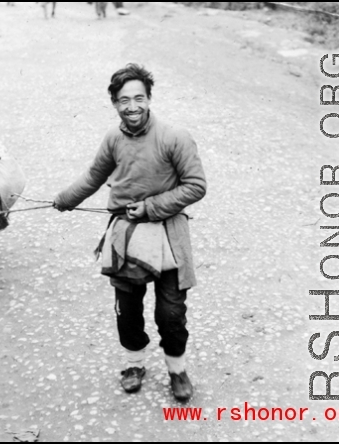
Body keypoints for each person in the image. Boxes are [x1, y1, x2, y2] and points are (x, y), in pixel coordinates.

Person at [53, 63, 207, 401]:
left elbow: (196, 186)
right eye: (124, 100)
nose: (132, 107)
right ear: (114, 103)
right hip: (125, 235)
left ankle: (177, 370)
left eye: (139, 98)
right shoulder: (113, 138)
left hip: (168, 234)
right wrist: (63, 200)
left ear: (150, 99)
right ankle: (134, 363)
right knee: (128, 310)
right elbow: (94, 177)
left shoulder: (174, 137)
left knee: (170, 313)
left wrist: (151, 207)